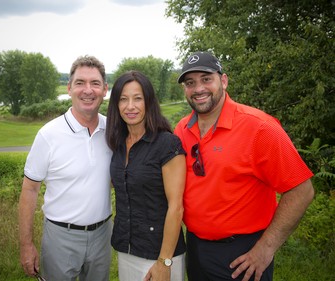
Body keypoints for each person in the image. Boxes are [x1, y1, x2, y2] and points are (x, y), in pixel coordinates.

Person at [174, 51, 315, 281]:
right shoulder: (182, 129)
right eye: (190, 83)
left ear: (224, 80)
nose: (198, 88)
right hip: (197, 248)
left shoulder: (259, 128)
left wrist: (266, 248)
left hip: (242, 255)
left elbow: (302, 189)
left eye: (206, 79)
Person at [19, 55, 112, 281]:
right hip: (61, 237)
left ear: (105, 89)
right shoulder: (48, 134)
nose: (87, 90)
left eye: (95, 83)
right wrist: (26, 245)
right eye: (80, 83)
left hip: (102, 235)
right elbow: (30, 190)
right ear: (69, 88)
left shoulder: (113, 130)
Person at [106, 70, 187, 281]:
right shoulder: (117, 144)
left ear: (149, 102)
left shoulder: (167, 144)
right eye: (123, 99)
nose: (130, 106)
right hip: (126, 249)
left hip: (159, 253)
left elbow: (176, 207)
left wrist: (164, 262)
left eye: (137, 98)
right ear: (116, 104)